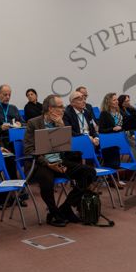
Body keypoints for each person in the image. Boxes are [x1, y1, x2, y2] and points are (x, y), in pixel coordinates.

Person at [24, 94, 96, 227]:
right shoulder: (34, 123)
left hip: (59, 161)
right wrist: (48, 163)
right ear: (50, 109)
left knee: (89, 172)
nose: (63, 109)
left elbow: (65, 148)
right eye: (60, 106)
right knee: (46, 180)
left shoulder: (60, 121)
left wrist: (61, 127)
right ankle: (54, 213)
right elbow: (29, 150)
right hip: (41, 163)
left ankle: (65, 208)